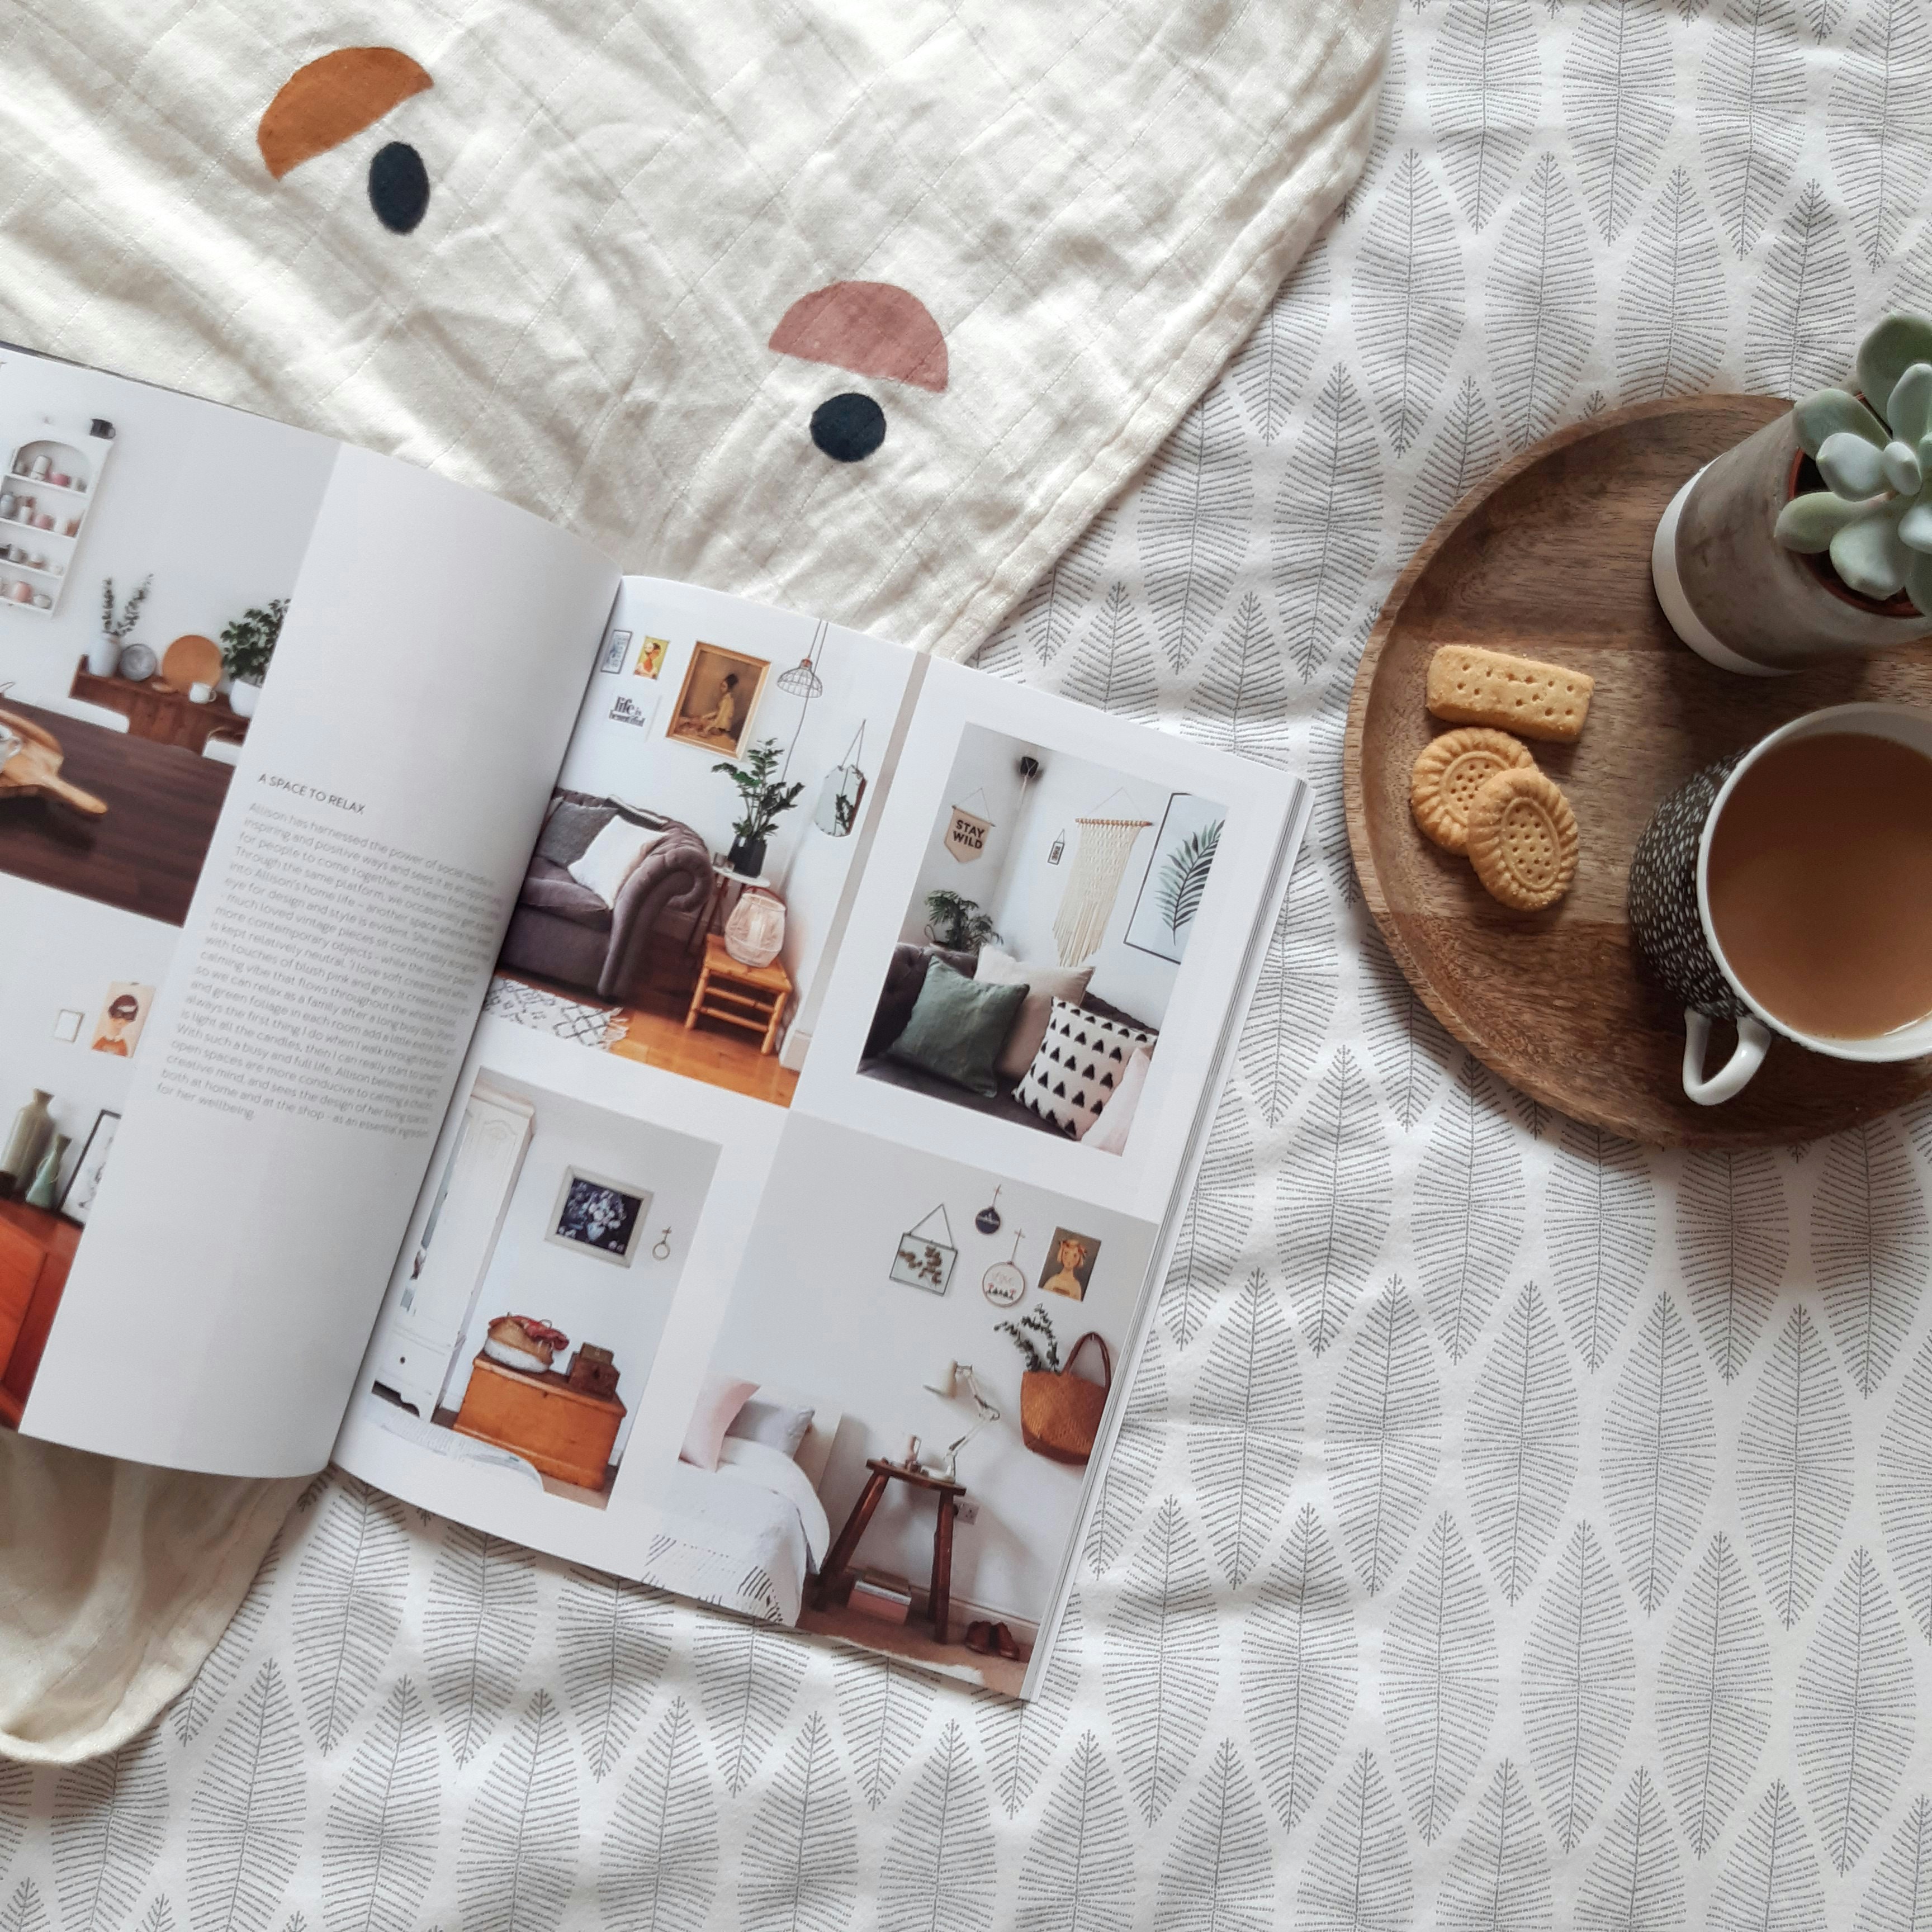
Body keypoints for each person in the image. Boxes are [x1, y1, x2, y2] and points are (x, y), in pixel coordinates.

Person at [91, 991, 141, 1056]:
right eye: (118, 1014)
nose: (122, 1020)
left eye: (128, 1017)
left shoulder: (123, 1045)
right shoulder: (100, 1040)